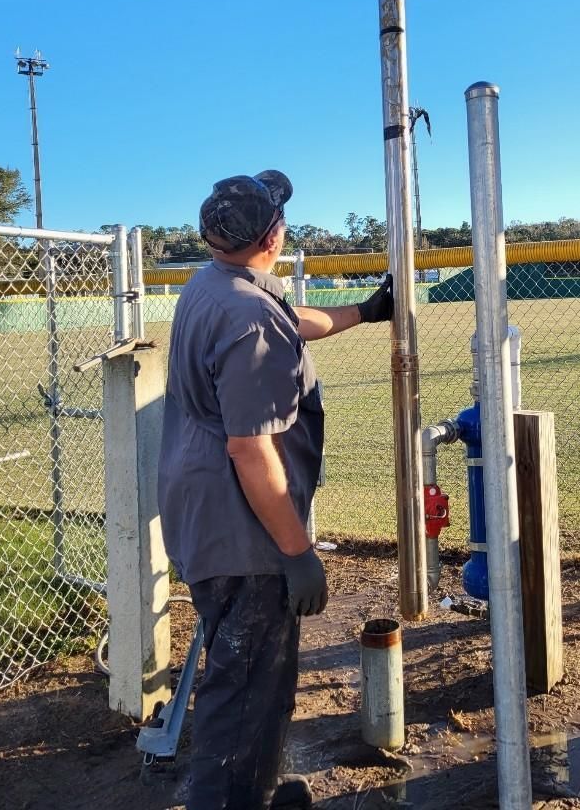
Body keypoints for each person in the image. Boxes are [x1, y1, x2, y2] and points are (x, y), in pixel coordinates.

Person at [158, 170, 394, 809]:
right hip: (245, 530)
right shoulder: (248, 315)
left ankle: (254, 792)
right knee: (249, 684)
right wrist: (296, 552)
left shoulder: (213, 285)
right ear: (272, 235)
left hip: (202, 509)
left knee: (251, 674)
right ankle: (234, 798)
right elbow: (251, 448)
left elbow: (294, 320)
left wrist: (368, 312)